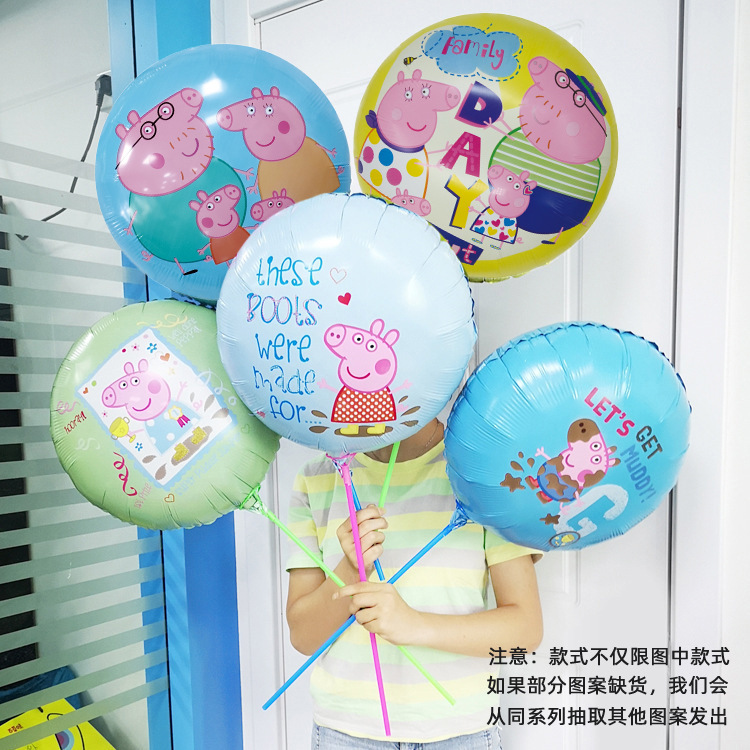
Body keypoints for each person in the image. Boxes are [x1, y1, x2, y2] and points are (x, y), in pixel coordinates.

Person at [285, 417, 543, 749]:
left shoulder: (483, 475)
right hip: (345, 732)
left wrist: (414, 624)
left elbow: (525, 628)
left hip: (459, 732)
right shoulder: (317, 478)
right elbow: (303, 637)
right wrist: (351, 567)